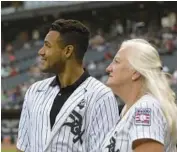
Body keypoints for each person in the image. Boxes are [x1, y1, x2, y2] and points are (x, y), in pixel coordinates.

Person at [16, 19, 119, 152]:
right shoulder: (34, 91)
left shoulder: (101, 96)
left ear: (68, 51)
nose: (41, 52)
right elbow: (23, 147)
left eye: (47, 45)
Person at [101, 39, 177, 152]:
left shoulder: (146, 107)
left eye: (116, 61)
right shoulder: (128, 110)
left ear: (136, 72)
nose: (108, 68)